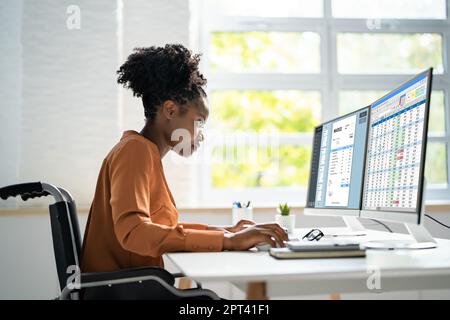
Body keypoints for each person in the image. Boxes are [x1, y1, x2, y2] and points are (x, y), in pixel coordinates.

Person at [81, 44, 288, 273]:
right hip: (122, 292)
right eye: (199, 122)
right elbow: (135, 232)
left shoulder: (143, 153)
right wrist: (228, 241)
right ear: (170, 110)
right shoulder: (134, 152)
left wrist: (227, 232)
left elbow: (162, 230)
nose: (202, 134)